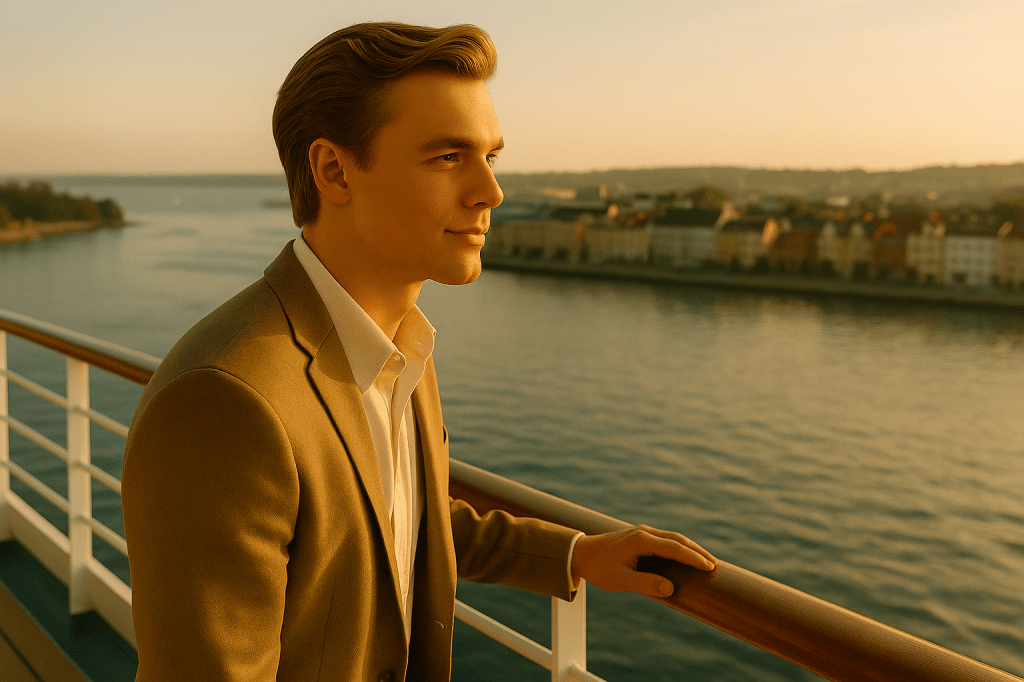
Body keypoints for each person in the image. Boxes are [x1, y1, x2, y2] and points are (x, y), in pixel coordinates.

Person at [121, 21, 716, 682]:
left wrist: (575, 554)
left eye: (491, 157)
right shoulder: (224, 402)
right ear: (333, 170)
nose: (490, 191)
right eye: (448, 157)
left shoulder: (399, 349)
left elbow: (392, 524)